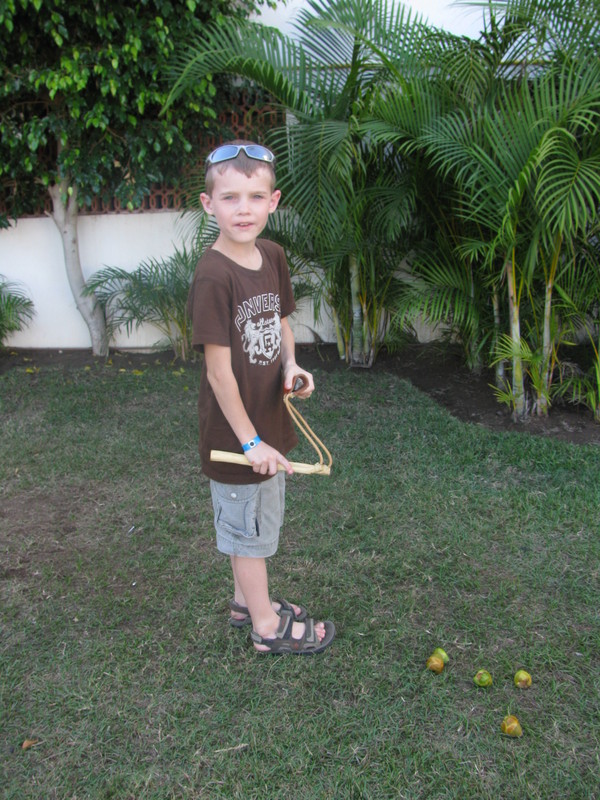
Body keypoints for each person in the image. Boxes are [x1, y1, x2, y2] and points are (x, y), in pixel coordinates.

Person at [187, 140, 335, 655]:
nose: (243, 209)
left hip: (267, 423)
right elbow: (218, 372)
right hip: (236, 437)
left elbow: (280, 322)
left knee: (256, 520)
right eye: (229, 197)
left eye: (255, 197)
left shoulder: (272, 255)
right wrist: (249, 442)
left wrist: (291, 365)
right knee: (247, 532)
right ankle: (267, 628)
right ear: (209, 204)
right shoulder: (213, 275)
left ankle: (243, 602)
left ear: (273, 202)